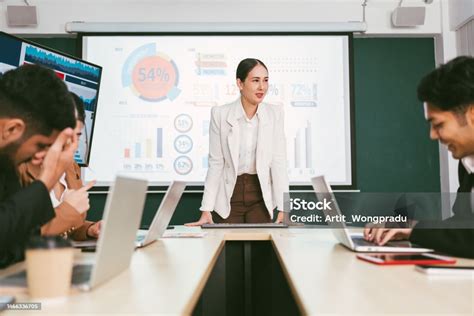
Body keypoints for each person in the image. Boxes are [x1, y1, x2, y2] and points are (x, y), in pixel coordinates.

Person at [364, 56, 474, 258]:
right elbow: (463, 225)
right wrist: (409, 227)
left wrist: (417, 231)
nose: (432, 135)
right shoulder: (468, 162)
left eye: (439, 124)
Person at [186, 58, 289, 225]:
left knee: (261, 249)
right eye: (255, 80)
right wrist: (206, 209)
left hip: (260, 196)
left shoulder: (275, 113)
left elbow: (279, 162)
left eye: (265, 80)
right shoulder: (220, 114)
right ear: (240, 84)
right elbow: (216, 163)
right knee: (226, 248)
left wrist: (285, 208)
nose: (262, 87)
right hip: (229, 195)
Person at [0, 64, 77, 268]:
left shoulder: (7, 165)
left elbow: (15, 245)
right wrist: (46, 181)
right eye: (41, 145)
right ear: (12, 129)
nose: (40, 157)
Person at [18, 93, 102, 240]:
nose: (72, 145)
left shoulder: (71, 167)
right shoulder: (18, 169)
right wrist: (68, 210)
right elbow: (19, 234)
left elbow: (69, 229)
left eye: (78, 136)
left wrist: (90, 229)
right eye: (65, 136)